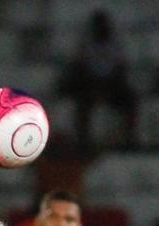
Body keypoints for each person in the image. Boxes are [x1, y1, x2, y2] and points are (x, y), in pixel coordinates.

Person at [58, 10, 138, 152]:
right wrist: (94, 86)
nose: (101, 29)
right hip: (91, 86)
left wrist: (109, 87)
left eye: (103, 26)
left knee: (131, 100)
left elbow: (121, 69)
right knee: (82, 104)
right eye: (98, 26)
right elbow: (80, 69)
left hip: (112, 86)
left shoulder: (116, 46)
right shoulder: (85, 46)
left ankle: (129, 138)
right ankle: (83, 140)